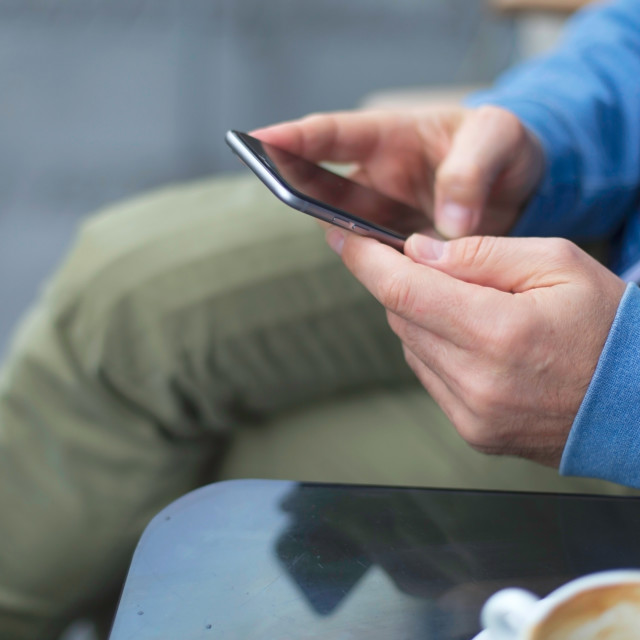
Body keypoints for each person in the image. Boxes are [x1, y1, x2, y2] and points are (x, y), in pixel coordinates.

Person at [1, 0, 640, 637]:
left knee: (231, 504)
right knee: (122, 299)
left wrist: (622, 393)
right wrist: (545, 132)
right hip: (601, 224)